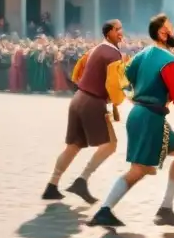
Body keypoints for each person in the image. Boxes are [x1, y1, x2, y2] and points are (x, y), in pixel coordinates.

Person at [88, 14, 174, 228]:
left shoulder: (142, 54)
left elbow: (124, 79)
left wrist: (135, 94)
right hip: (151, 118)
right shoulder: (171, 62)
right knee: (139, 170)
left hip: (139, 114)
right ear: (163, 33)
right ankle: (106, 210)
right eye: (172, 29)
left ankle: (165, 209)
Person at [43, 20, 127, 202]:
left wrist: (83, 84)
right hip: (93, 102)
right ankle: (82, 180)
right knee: (111, 144)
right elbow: (114, 85)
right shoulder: (114, 54)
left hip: (78, 98)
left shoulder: (95, 49)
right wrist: (117, 100)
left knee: (73, 146)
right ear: (109, 33)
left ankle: (52, 185)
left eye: (121, 29)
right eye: (117, 30)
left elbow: (77, 70)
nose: (121, 32)